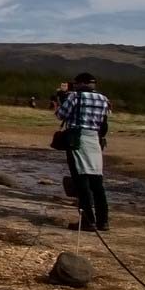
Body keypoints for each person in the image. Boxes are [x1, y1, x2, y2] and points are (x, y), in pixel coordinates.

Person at [58, 72, 111, 231]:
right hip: (94, 139)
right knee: (97, 182)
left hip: (78, 139)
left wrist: (63, 97)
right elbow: (104, 121)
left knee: (81, 180)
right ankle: (103, 221)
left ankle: (88, 221)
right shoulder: (104, 99)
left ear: (80, 83)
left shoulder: (75, 97)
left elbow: (60, 115)